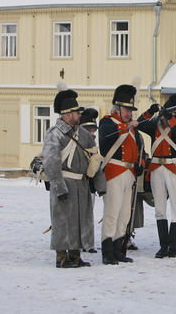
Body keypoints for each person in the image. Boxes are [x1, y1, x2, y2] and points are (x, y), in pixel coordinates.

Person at [42, 88, 95, 268]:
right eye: (75, 112)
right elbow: (51, 162)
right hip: (64, 182)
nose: (78, 115)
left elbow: (94, 155)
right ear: (66, 115)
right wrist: (59, 186)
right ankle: (61, 257)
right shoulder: (54, 134)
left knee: (80, 220)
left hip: (81, 183)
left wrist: (97, 182)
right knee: (63, 221)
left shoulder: (83, 133)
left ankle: (76, 255)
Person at [97, 84, 148, 265]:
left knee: (125, 214)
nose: (129, 113)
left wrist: (141, 164)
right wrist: (126, 127)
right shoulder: (107, 122)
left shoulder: (132, 128)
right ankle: (107, 251)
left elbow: (140, 149)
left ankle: (119, 249)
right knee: (112, 212)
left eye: (130, 110)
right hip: (114, 170)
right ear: (117, 108)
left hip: (130, 173)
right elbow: (105, 142)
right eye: (126, 109)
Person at [139, 94, 176, 258]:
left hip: (173, 167)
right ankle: (164, 246)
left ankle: (174, 245)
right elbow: (139, 125)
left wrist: (170, 118)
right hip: (156, 168)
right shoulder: (154, 125)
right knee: (160, 209)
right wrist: (150, 111)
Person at [79, 108, 100, 254]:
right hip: (77, 182)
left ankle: (88, 242)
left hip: (89, 183)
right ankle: (79, 241)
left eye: (93, 129)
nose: (92, 133)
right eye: (89, 129)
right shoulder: (77, 142)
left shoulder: (92, 145)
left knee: (88, 214)